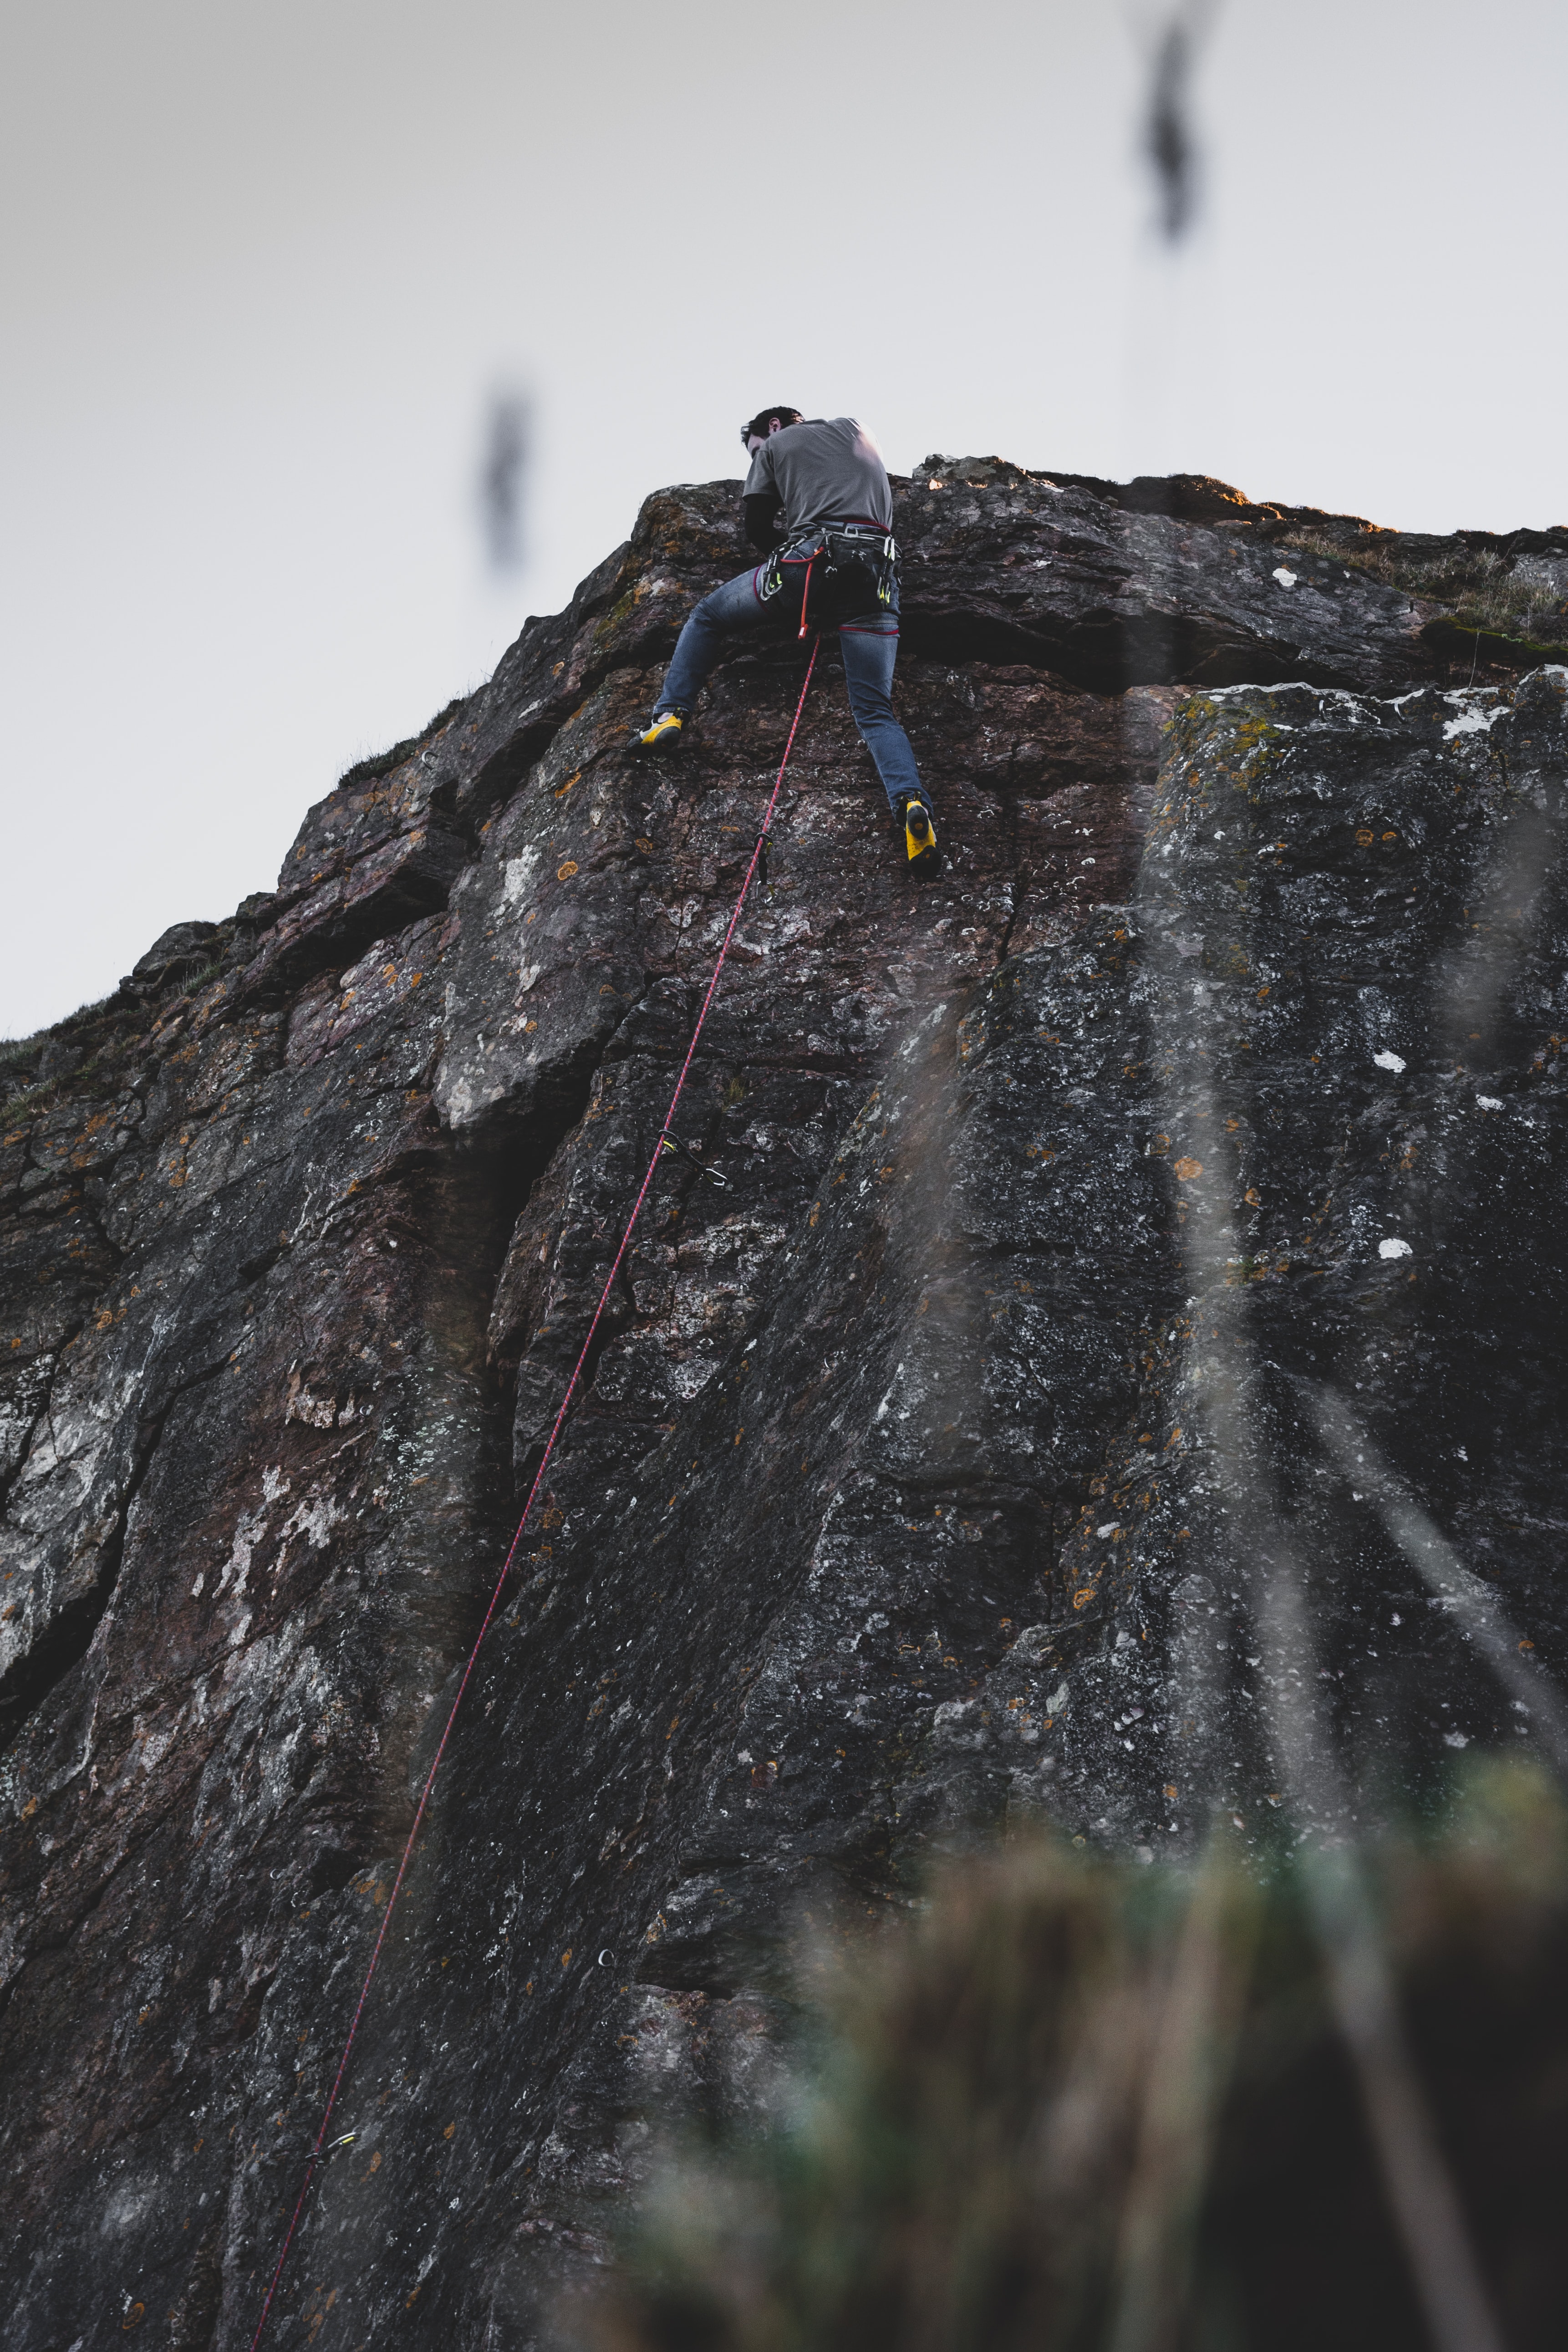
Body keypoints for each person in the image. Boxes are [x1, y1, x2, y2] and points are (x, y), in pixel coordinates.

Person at [631, 407, 938, 874]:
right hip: (876, 578)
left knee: (707, 615)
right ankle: (913, 804)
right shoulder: (858, 429)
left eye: (754, 450)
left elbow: (757, 528)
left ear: (772, 427)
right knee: (875, 712)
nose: (757, 459)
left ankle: (668, 716)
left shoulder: (774, 446)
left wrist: (796, 556)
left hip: (811, 563)